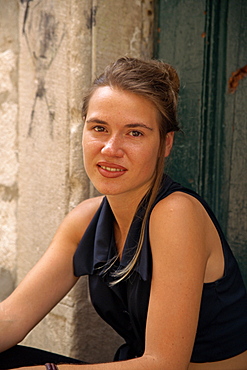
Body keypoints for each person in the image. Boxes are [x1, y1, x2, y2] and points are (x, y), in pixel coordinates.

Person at [0, 56, 247, 370]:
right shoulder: (84, 220)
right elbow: (11, 318)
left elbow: (164, 364)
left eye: (135, 133)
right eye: (99, 128)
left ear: (165, 143)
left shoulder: (176, 214)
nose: (110, 148)